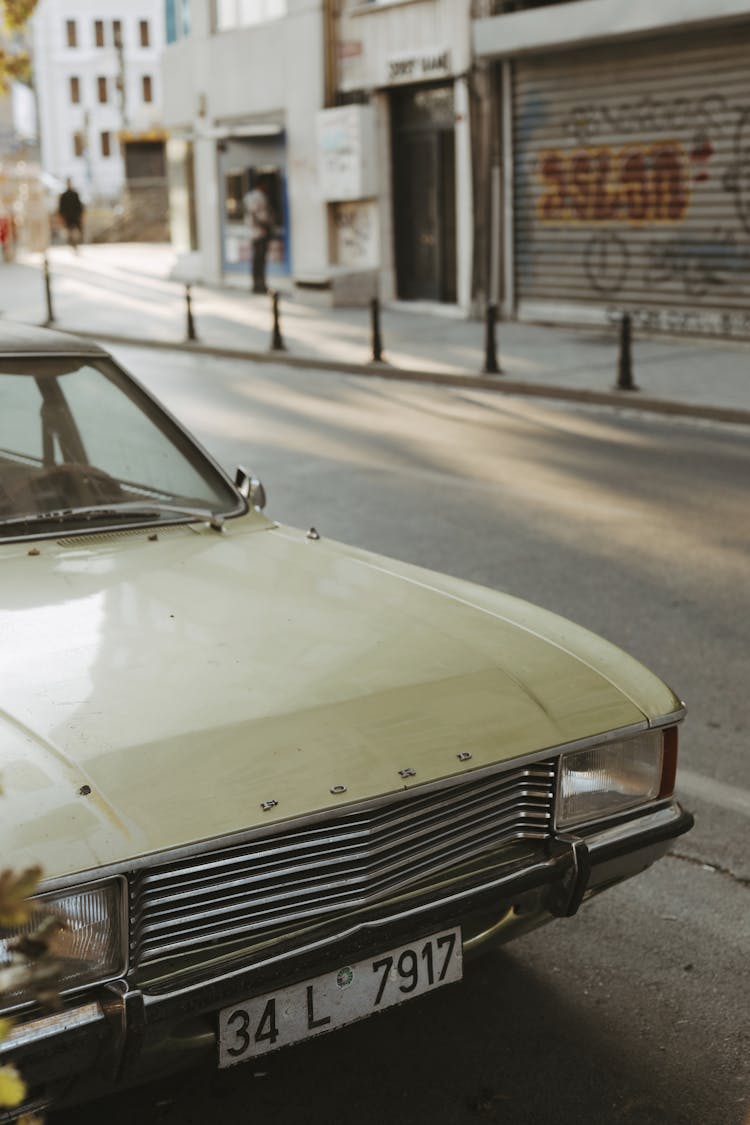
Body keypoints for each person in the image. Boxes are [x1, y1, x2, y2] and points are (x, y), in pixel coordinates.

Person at [243, 177, 273, 294]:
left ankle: (257, 284)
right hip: (260, 232)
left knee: (257, 260)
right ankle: (260, 285)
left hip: (253, 232)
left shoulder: (248, 197)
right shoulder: (260, 197)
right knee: (260, 260)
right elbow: (257, 214)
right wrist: (265, 225)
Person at [58, 179, 84, 250]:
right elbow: (61, 207)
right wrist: (61, 216)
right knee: (69, 231)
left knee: (76, 231)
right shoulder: (63, 195)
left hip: (75, 215)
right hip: (67, 216)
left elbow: (79, 206)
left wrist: (81, 215)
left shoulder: (75, 194)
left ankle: (75, 242)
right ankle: (71, 242)